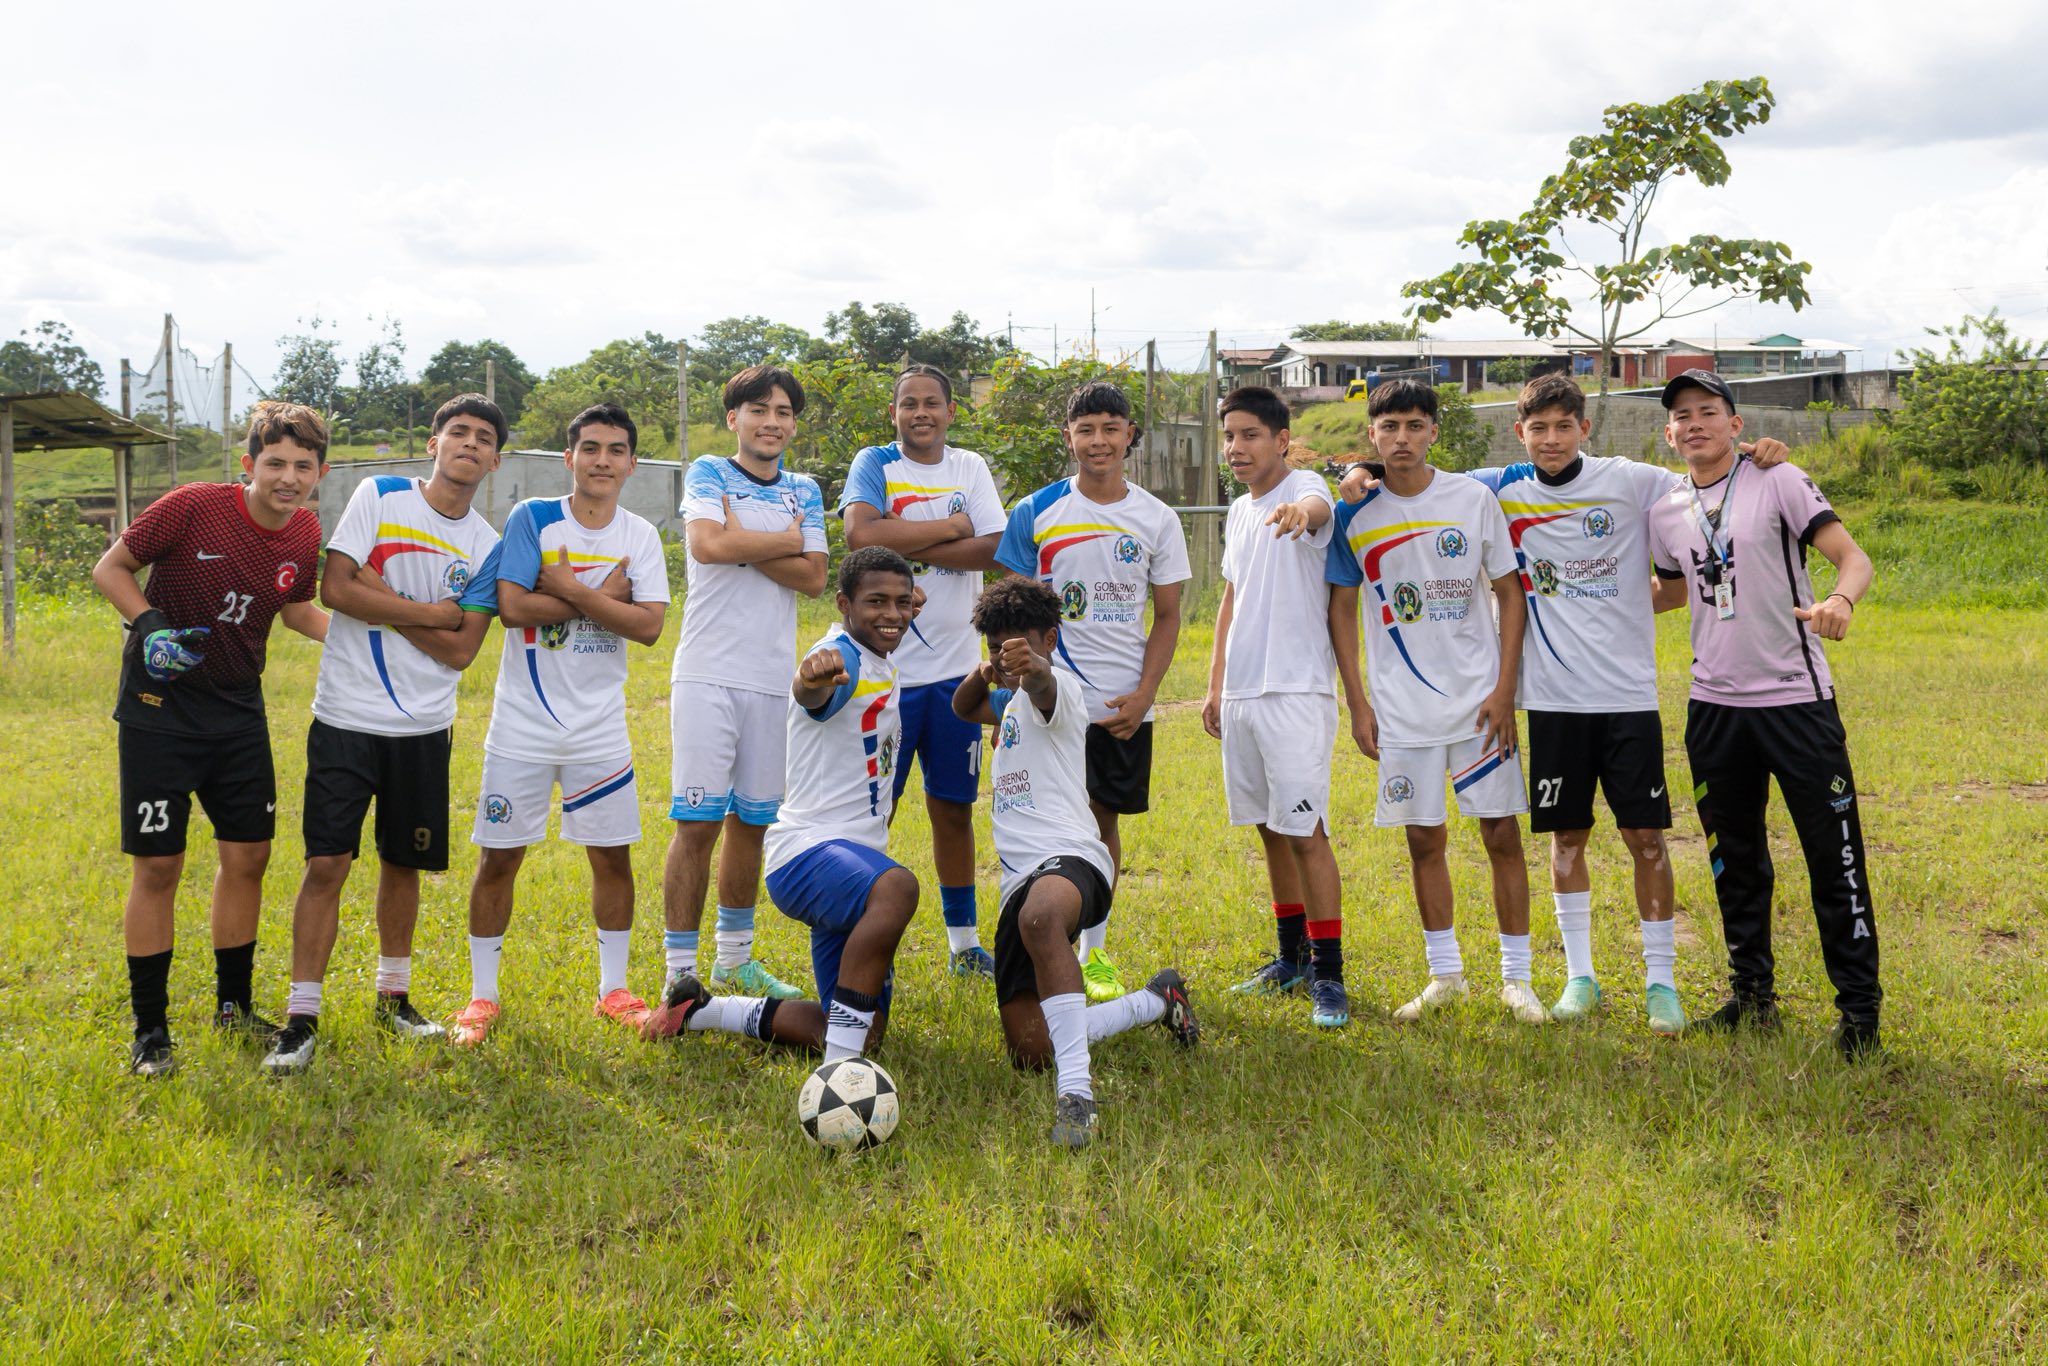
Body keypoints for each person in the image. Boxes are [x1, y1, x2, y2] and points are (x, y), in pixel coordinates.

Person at [1339, 374, 1788, 1034]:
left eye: (1563, 426)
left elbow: (1703, 479)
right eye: (1538, 428)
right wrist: (1360, 470)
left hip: (1627, 697)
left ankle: (1660, 983)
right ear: (1519, 433)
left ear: (1585, 428)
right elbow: (1415, 472)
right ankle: (1580, 978)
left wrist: (1755, 455)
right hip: (1550, 701)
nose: (1551, 440)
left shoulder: (1629, 480)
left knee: (1645, 838)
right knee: (1566, 840)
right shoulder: (1499, 487)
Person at [261, 395, 507, 1074]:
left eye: (483, 438)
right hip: (346, 717)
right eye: (458, 431)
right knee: (326, 866)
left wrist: (389, 600)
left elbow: (462, 651)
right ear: (434, 443)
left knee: (404, 865)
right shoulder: (381, 494)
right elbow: (336, 590)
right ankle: (301, 1017)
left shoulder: (487, 545)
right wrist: (433, 612)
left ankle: (393, 998)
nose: (469, 444)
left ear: (495, 460)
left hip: (424, 727)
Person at [1646, 369, 1882, 1060]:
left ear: (1735, 424)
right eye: (1682, 415)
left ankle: (1859, 1013)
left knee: (1833, 857)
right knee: (1735, 860)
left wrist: (1839, 600)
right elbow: (1672, 592)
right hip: (1714, 708)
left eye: (1708, 411)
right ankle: (1752, 997)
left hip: (1795, 702)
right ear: (1669, 434)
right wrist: (1578, 599)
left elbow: (1853, 559)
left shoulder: (1778, 479)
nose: (1695, 423)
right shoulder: (1666, 508)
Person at [90, 400, 331, 1077]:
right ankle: (151, 1031)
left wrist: (372, 641)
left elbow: (296, 610)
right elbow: (110, 569)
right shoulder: (193, 505)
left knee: (249, 857)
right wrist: (151, 626)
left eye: (303, 466)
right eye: (275, 463)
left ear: (320, 473)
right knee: (158, 866)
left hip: (237, 713)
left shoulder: (305, 531)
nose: (288, 478)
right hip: (159, 709)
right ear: (248, 464)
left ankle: (232, 1007)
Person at [643, 548, 922, 1060]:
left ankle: (703, 1011)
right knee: (898, 888)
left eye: (902, 603)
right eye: (876, 601)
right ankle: (840, 1070)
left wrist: (897, 605)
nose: (892, 613)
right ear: (843, 604)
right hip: (809, 855)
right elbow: (813, 692)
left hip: (854, 866)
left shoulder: (882, 655)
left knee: (864, 1032)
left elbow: (894, 609)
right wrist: (808, 681)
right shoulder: (841, 657)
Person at [448, 402, 670, 1046]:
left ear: (632, 464)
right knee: (499, 859)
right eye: (590, 448)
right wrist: (605, 599)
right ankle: (482, 998)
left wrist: (570, 588)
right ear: (569, 457)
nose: (603, 460)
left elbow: (649, 627)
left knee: (612, 857)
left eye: (616, 450)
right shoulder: (534, 517)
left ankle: (613, 991)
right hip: (522, 726)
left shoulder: (640, 535)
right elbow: (513, 607)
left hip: (599, 728)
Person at [1326, 379, 1545, 1025]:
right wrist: (1358, 702)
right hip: (1401, 712)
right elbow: (1341, 610)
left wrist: (1505, 690)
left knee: (1501, 834)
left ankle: (1517, 979)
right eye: (1389, 426)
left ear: (1433, 433)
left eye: (1415, 425)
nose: (1402, 438)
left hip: (1480, 706)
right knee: (1424, 840)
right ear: (1372, 434)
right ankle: (1445, 975)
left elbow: (1510, 594)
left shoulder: (1472, 499)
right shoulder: (1352, 514)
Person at [952, 578, 1197, 1147]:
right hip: (1019, 882)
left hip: (1073, 858)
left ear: (1050, 640)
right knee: (1031, 1049)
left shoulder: (1060, 691)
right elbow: (962, 707)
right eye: (997, 646)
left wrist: (1032, 667)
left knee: (1040, 918)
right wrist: (986, 672)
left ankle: (1077, 1096)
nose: (1009, 657)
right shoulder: (1005, 700)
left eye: (1021, 645)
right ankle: (1156, 1000)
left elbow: (1040, 681)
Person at [994, 380, 1190, 1001]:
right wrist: (1008, 699)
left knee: (1101, 819)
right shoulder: (1036, 511)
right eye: (1085, 429)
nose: (1098, 441)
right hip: (1045, 702)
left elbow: (1167, 616)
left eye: (1110, 428)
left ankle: (1093, 953)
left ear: (1129, 435)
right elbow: (1008, 614)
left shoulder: (1156, 518)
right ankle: (1037, 938)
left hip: (1117, 707)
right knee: (1039, 817)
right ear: (1068, 437)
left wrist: (1145, 695)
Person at [659, 365, 828, 1013]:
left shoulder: (804, 489)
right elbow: (706, 546)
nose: (772, 422)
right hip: (707, 673)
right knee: (697, 823)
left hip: (772, 680)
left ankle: (734, 959)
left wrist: (743, 541)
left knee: (752, 823)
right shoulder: (709, 472)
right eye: (759, 409)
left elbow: (814, 577)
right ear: (734, 418)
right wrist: (781, 541)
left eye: (783, 412)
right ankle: (679, 972)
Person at [839, 364, 1006, 979]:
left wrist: (902, 541)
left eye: (931, 403)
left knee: (954, 810)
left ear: (950, 411)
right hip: (886, 676)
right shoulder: (875, 463)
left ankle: (963, 944)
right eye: (908, 403)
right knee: (873, 811)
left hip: (957, 676)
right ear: (894, 413)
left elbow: (994, 547)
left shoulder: (969, 467)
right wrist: (950, 529)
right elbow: (860, 534)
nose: (920, 413)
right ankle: (861, 942)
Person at [1201, 384, 1350, 1029]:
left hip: (1295, 692)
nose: (1236, 447)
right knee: (1268, 828)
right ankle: (1289, 960)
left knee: (1305, 833)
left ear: (1281, 440)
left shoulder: (1302, 488)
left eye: (1250, 435)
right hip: (1242, 693)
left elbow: (1317, 508)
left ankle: (1329, 974)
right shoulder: (1239, 510)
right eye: (1229, 436)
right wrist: (1215, 685)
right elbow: (1231, 600)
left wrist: (1300, 514)